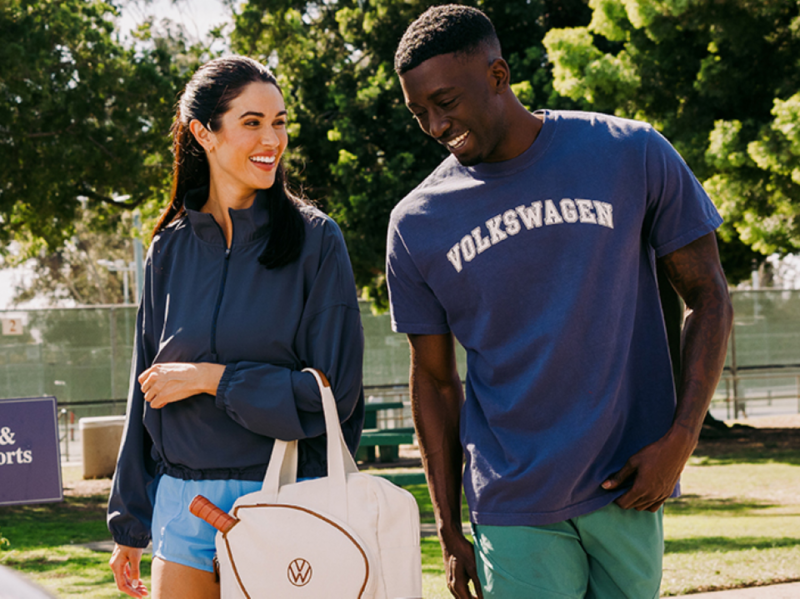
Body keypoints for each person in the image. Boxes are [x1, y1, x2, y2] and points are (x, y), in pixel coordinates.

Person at [386, 5, 733, 599]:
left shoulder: (631, 152)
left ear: (498, 76)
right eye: (419, 112)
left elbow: (708, 295)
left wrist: (680, 441)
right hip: (512, 498)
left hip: (628, 483)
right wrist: (447, 528)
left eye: (446, 102)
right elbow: (436, 383)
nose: (436, 126)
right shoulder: (417, 224)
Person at [107, 55, 365, 599]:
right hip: (183, 504)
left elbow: (333, 396)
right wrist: (129, 521)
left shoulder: (317, 242)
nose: (272, 138)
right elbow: (143, 392)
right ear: (204, 133)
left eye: (279, 122)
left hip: (287, 499)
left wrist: (215, 379)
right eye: (252, 122)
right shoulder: (168, 250)